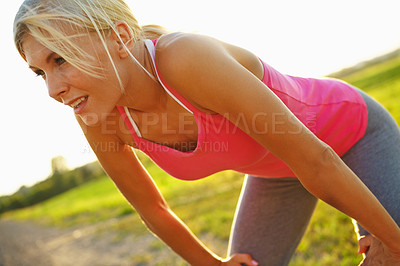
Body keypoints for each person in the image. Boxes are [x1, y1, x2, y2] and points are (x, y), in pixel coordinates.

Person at [13, 0, 400, 265]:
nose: (53, 89)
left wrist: (394, 243)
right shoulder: (96, 114)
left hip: (350, 136)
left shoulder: (185, 59)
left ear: (119, 37)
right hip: (281, 173)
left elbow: (315, 159)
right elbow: (154, 209)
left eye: (60, 59)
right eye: (40, 73)